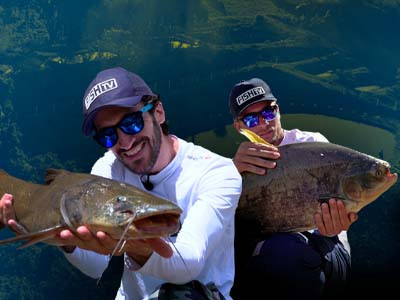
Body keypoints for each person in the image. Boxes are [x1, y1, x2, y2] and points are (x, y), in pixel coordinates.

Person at [0, 67, 242, 300]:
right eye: (108, 135)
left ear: (158, 112)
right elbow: (96, 265)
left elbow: (188, 264)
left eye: (131, 123)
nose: (124, 143)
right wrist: (65, 239)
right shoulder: (107, 170)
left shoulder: (217, 172)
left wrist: (132, 245)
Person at [228, 78, 358, 299]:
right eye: (251, 119)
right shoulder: (236, 168)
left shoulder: (312, 144)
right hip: (270, 254)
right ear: (239, 127)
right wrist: (229, 173)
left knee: (285, 249)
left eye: (268, 112)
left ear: (278, 110)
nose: (263, 123)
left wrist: (333, 226)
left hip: (329, 250)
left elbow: (340, 213)